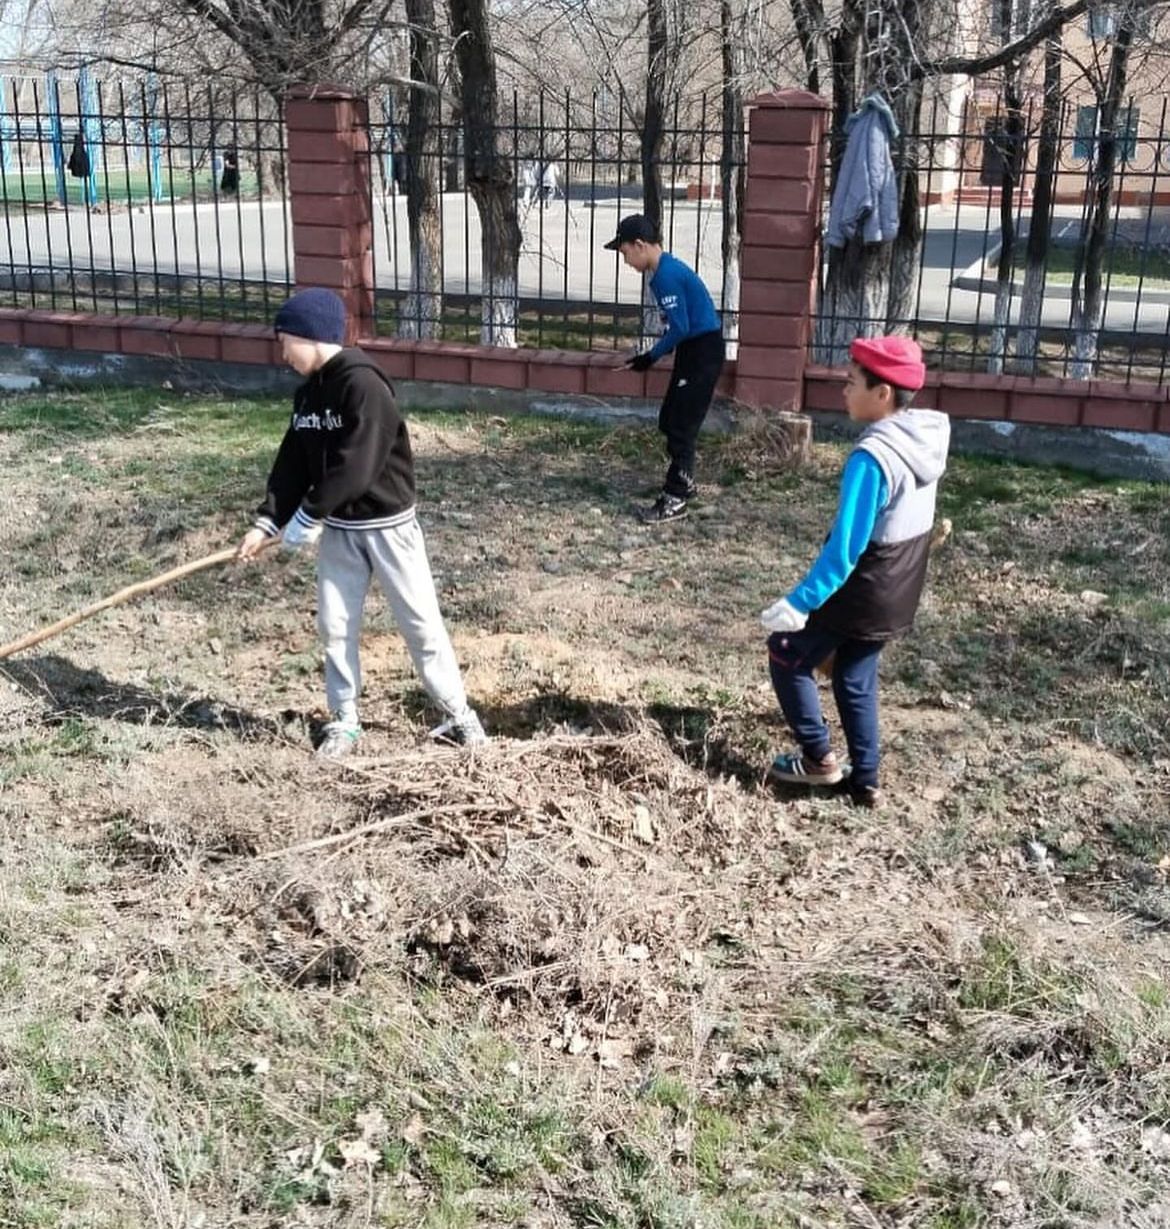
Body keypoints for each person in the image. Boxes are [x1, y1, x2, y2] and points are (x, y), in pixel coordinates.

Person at [236, 288, 487, 759]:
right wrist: (268, 521)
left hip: (389, 528)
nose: (282, 352)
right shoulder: (308, 394)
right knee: (335, 626)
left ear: (309, 336)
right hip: (342, 533)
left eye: (284, 340)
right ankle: (344, 719)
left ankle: (458, 715)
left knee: (420, 623)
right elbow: (292, 461)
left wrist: (311, 511)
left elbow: (358, 463)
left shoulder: (364, 385)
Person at [760, 336, 949, 808]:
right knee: (854, 672)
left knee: (786, 652)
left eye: (851, 383)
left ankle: (818, 760)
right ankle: (865, 781)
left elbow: (846, 548)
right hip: (901, 587)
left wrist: (799, 602)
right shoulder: (921, 441)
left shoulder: (873, 457)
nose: (843, 391)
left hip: (864, 586)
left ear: (882, 393)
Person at [605, 213, 724, 524]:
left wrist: (650, 356)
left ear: (640, 245)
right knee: (670, 419)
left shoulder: (664, 276)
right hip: (695, 351)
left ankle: (676, 498)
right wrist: (655, 353)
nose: (626, 260)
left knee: (681, 426)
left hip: (702, 353)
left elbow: (681, 326)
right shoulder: (666, 269)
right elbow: (680, 326)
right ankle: (684, 481)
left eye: (625, 252)